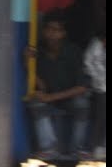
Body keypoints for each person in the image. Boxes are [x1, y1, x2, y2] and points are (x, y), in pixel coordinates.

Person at [26, 15, 92, 160]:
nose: (52, 33)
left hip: (69, 97)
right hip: (49, 96)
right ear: (44, 31)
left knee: (82, 103)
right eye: (49, 29)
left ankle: (77, 149)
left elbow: (82, 87)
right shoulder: (38, 51)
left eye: (57, 30)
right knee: (34, 101)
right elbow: (39, 83)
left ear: (63, 33)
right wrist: (27, 61)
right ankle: (49, 149)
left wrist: (51, 97)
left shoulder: (73, 51)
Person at [83, 29, 106, 159]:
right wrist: (98, 81)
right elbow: (89, 65)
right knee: (101, 117)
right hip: (100, 87)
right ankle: (97, 148)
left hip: (102, 85)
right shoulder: (95, 46)